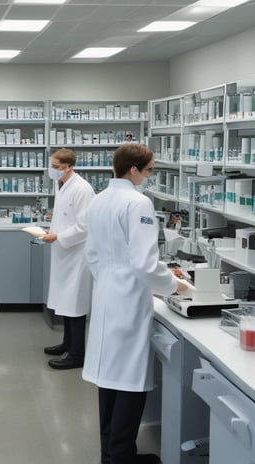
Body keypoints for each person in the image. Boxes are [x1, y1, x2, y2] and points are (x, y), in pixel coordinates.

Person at [82, 144, 189, 464]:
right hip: (128, 297)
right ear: (133, 170)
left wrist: (111, 279)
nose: (149, 175)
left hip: (106, 292)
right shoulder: (138, 202)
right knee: (128, 380)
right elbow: (144, 264)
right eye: (149, 170)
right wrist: (175, 284)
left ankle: (110, 452)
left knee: (109, 378)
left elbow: (91, 254)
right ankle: (122, 456)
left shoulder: (99, 200)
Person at [41, 148, 95, 370]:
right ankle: (67, 343)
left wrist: (59, 236)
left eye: (56, 167)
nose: (52, 170)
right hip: (63, 251)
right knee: (65, 301)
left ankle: (77, 354)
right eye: (51, 165)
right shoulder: (61, 184)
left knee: (75, 304)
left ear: (69, 166)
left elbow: (84, 226)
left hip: (76, 253)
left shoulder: (82, 189)